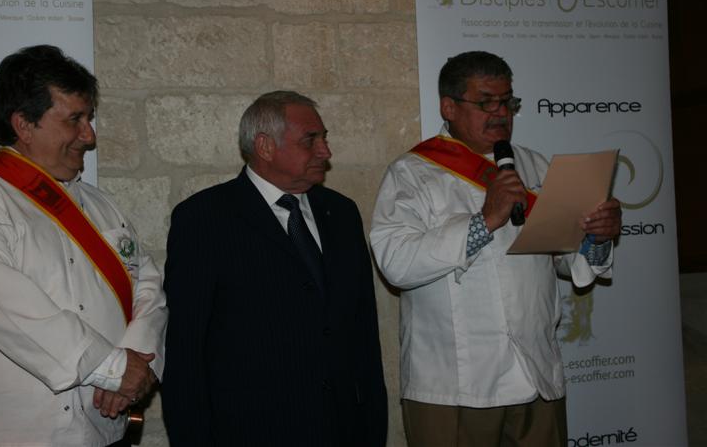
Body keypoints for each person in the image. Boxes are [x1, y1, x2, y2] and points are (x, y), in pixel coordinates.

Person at [369, 51, 622, 447]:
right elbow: (396, 263)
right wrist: (484, 220)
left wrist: (597, 237)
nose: (501, 112)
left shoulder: (535, 166)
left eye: (507, 101)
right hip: (455, 385)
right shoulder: (411, 173)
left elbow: (564, 258)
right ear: (449, 107)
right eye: (486, 102)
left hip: (536, 375)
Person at [0, 45, 167, 446]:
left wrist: (136, 362)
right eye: (74, 119)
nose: (89, 136)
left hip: (100, 429)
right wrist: (111, 368)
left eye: (89, 118)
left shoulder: (101, 205)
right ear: (24, 124)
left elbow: (148, 288)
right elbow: (2, 307)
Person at [161, 90, 388, 446]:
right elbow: (185, 350)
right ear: (265, 146)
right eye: (310, 140)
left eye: (324, 138)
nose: (325, 151)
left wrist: (372, 429)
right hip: (248, 431)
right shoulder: (205, 218)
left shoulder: (342, 213)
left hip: (341, 429)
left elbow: (363, 336)